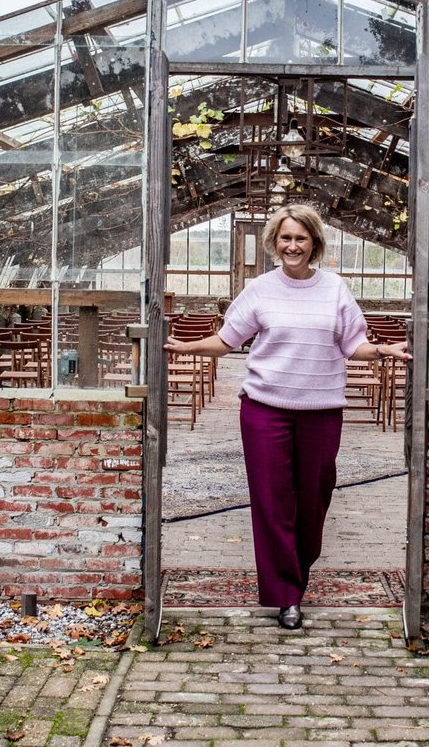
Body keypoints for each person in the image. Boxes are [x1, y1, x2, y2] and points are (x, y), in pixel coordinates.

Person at [163, 205, 411, 630]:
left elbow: (354, 346)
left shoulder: (335, 290)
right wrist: (185, 348)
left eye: (300, 238)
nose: (292, 245)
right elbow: (227, 340)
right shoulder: (260, 289)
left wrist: (383, 351)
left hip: (321, 412)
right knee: (273, 503)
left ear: (314, 243)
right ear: (273, 243)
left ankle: (295, 570)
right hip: (264, 411)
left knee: (314, 501)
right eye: (285, 238)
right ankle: (287, 596)